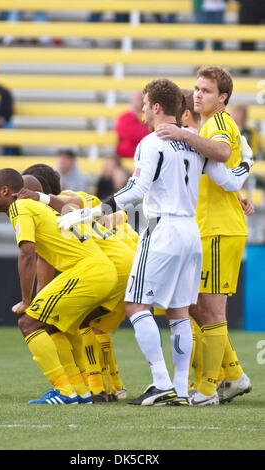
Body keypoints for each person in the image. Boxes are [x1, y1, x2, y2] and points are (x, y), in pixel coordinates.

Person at [57, 78, 252, 406]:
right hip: (192, 233)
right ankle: (177, 388)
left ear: (157, 107)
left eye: (145, 104)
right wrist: (246, 159)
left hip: (162, 229)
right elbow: (232, 182)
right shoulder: (194, 140)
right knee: (178, 312)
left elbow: (135, 189)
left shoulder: (151, 142)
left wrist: (91, 213)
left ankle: (161, 382)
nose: (142, 110)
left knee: (136, 305)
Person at [155, 66, 253, 405]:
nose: (198, 95)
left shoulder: (221, 124)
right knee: (197, 305)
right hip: (208, 227)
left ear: (222, 97)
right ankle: (235, 375)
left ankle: (209, 388)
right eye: (196, 89)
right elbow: (230, 169)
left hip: (219, 229)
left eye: (206, 90)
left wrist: (183, 134)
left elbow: (224, 153)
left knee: (210, 310)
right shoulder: (210, 125)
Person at [0, 168, 118, 405]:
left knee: (28, 322)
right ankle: (82, 389)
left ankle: (66, 392)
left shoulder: (20, 208)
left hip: (90, 271)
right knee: (56, 326)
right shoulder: (39, 207)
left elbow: (27, 253)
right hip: (99, 270)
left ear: (5, 191)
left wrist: (27, 302)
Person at [114, 91, 150, 158]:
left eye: (143, 99)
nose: (141, 102)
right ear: (131, 100)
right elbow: (132, 134)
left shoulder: (149, 116)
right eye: (139, 99)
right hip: (129, 153)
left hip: (144, 153)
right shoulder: (125, 117)